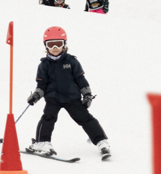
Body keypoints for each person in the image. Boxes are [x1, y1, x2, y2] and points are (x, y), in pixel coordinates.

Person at [25, 25, 109, 161]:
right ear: (45, 46)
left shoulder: (71, 61)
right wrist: (36, 96)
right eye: (51, 45)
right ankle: (42, 142)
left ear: (64, 44)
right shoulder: (44, 65)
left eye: (58, 44)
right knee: (48, 118)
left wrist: (87, 95)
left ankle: (101, 141)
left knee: (85, 118)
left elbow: (80, 79)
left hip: (72, 98)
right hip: (53, 98)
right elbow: (42, 85)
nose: (55, 48)